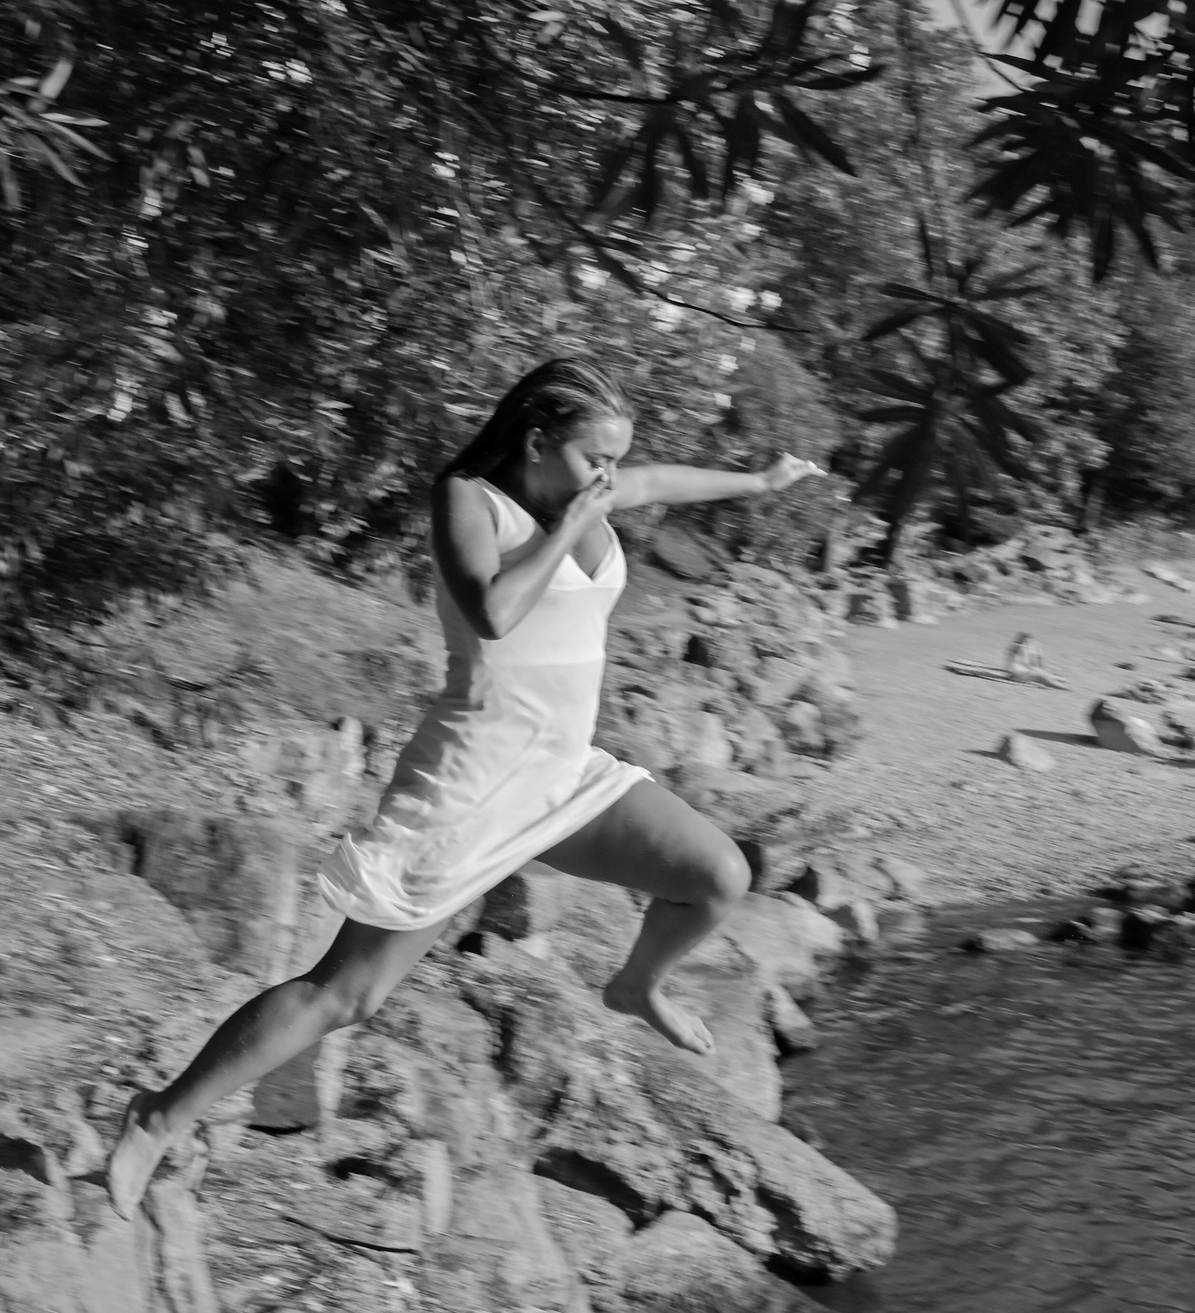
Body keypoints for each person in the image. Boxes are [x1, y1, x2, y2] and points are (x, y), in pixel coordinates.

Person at [105, 359, 822, 1216]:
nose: (609, 477)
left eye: (614, 461)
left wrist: (760, 481)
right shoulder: (469, 501)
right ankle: (157, 1118)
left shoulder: (591, 492)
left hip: (565, 773)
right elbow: (493, 613)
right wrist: (574, 522)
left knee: (718, 876)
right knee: (347, 993)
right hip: (472, 783)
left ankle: (637, 985)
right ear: (537, 441)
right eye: (594, 458)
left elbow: (661, 480)